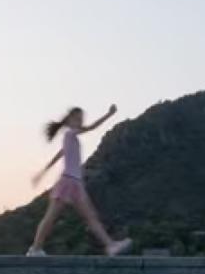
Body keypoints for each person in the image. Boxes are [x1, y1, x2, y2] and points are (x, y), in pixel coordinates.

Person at [26, 105, 132, 257]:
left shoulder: (70, 138)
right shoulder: (70, 133)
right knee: (51, 217)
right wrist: (108, 114)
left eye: (82, 119)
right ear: (70, 120)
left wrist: (43, 172)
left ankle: (111, 245)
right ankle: (35, 249)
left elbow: (59, 155)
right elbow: (91, 128)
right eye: (78, 118)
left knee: (90, 217)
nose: (81, 121)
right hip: (68, 182)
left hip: (76, 183)